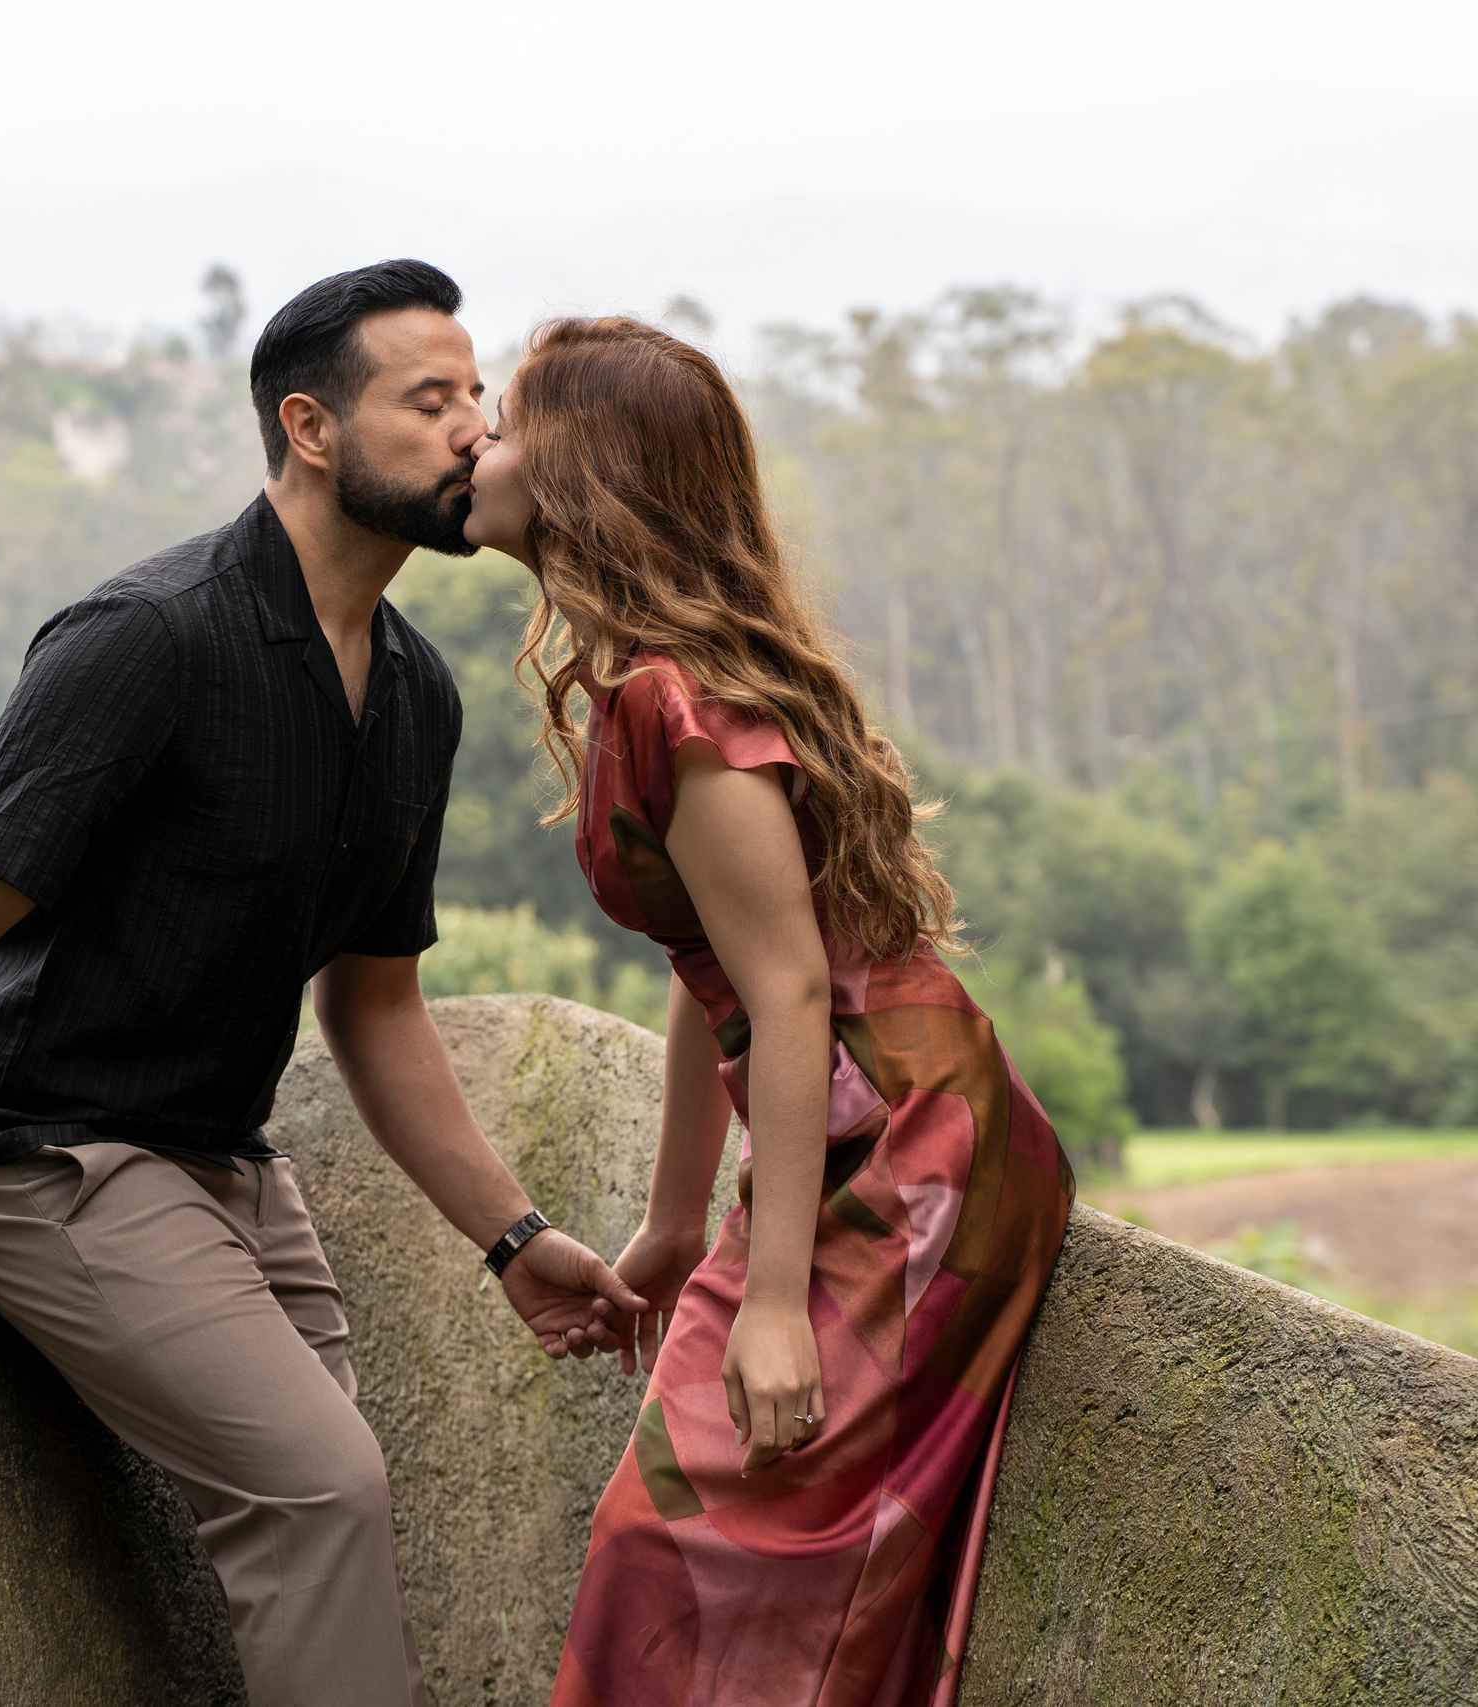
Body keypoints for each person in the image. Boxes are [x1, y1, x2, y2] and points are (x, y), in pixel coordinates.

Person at [0, 261, 642, 1707]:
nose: (475, 428)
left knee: (325, 1509)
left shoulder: (415, 692)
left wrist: (510, 1236)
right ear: (309, 427)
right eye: (431, 400)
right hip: (47, 1160)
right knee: (320, 1495)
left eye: (476, 395)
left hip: (227, 1162)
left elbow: (375, 1008)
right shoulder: (148, 638)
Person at [461, 318, 1075, 1707]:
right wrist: (682, 1220)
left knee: (681, 1556)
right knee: (689, 1565)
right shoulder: (640, 683)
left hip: (912, 1151)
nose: (475, 450)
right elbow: (721, 978)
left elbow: (793, 992)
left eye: (500, 423)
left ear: (583, 470)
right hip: (851, 1129)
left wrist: (778, 1300)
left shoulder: (678, 701)